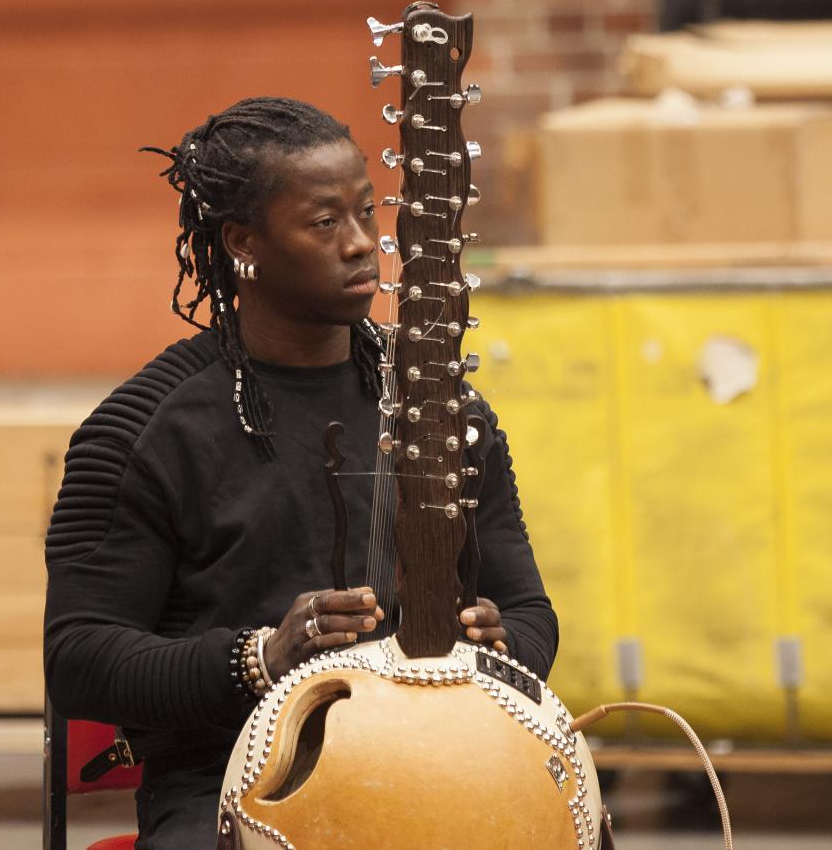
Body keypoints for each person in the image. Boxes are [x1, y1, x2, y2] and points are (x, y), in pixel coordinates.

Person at [42, 97, 557, 848]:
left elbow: (529, 608)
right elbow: (80, 655)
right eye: (325, 223)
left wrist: (499, 640)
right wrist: (262, 657)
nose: (361, 247)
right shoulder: (144, 429)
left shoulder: (444, 406)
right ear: (243, 242)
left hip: (444, 760)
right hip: (234, 777)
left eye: (366, 213)